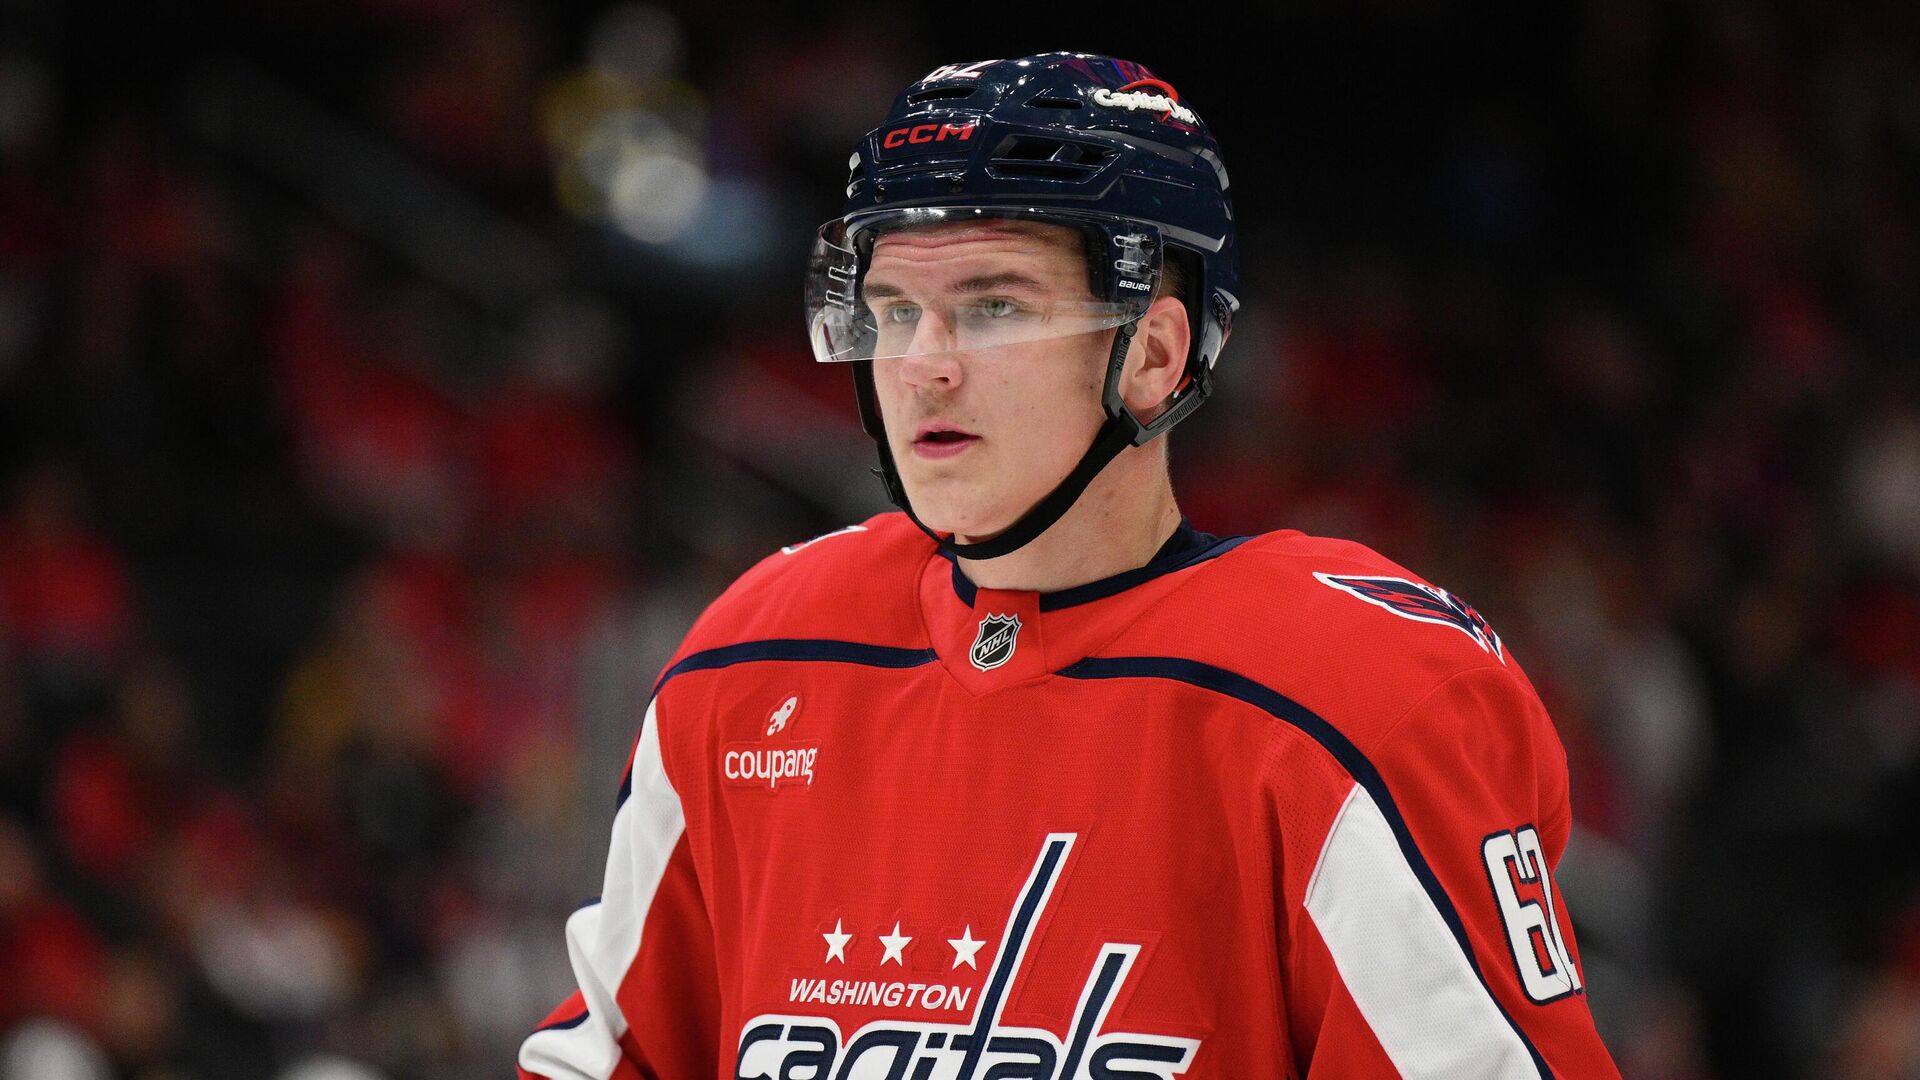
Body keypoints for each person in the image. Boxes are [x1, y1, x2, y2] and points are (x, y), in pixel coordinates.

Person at [517, 52, 1621, 1079]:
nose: (923, 365)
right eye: (895, 309)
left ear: (1154, 354)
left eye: (993, 307)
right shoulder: (754, 662)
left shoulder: (1353, 703)